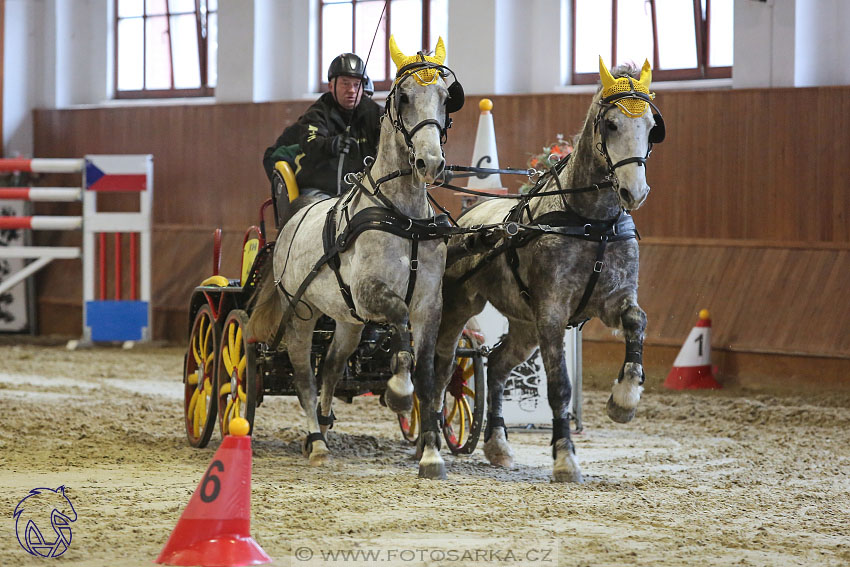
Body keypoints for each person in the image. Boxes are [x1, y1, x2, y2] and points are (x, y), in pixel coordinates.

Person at [263, 53, 382, 203]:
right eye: (345, 83)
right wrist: (331, 145)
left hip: (361, 192)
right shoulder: (316, 114)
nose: (351, 90)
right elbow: (310, 142)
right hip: (318, 191)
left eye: (356, 85)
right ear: (331, 86)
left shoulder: (374, 113)